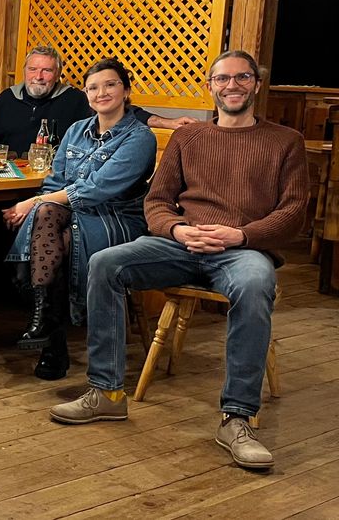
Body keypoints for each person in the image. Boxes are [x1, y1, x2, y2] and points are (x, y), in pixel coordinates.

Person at [49, 50, 310, 471]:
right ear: (211, 87)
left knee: (256, 283)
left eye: (242, 78)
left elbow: (295, 211)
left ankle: (237, 419)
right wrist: (175, 229)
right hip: (180, 244)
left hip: (242, 249)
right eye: (223, 79)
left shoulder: (285, 141)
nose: (232, 86)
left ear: (255, 85)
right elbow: (157, 201)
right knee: (105, 263)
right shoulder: (189, 138)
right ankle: (107, 394)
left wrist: (242, 234)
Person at [2, 58, 157, 380]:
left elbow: (97, 190)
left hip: (115, 218)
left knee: (55, 232)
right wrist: (40, 201)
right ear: (86, 94)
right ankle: (50, 334)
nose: (101, 93)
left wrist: (31, 201)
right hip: (67, 213)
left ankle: (51, 340)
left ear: (126, 91)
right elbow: (56, 183)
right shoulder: (76, 131)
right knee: (49, 220)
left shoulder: (140, 137)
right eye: (93, 87)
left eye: (110, 85)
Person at [0, 46, 197, 156]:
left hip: (47, 182)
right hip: (3, 178)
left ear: (58, 74)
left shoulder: (74, 98)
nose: (38, 76)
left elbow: (121, 110)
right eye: (33, 69)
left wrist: (167, 123)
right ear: (24, 71)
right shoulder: (8, 97)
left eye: (46, 70)